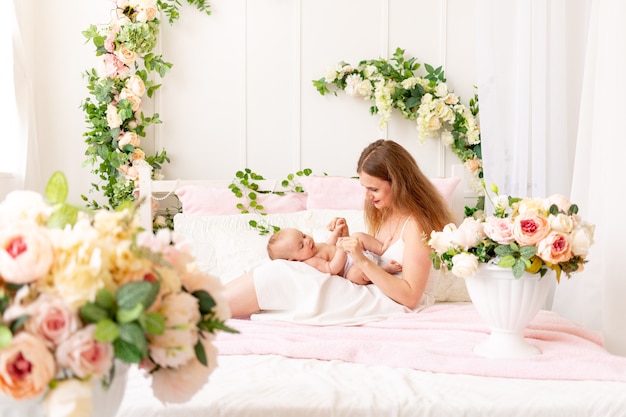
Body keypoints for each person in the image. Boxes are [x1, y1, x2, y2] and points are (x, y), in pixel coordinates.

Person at [222, 139, 454, 317]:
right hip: (363, 289)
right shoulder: (387, 213)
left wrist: (361, 260)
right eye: (365, 187)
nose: (367, 196)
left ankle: (199, 311)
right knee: (278, 267)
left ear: (399, 183)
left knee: (281, 273)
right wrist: (345, 241)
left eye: (373, 189)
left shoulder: (417, 225)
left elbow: (411, 297)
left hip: (384, 301)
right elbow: (366, 263)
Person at [266, 226, 402, 285]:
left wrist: (336, 233)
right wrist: (340, 250)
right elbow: (332, 268)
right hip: (351, 267)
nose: (307, 240)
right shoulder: (311, 261)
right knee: (355, 275)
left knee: (357, 236)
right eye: (301, 245)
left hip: (356, 253)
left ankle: (381, 249)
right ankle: (384, 271)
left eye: (303, 235)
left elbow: (329, 245)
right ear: (294, 260)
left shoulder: (313, 247)